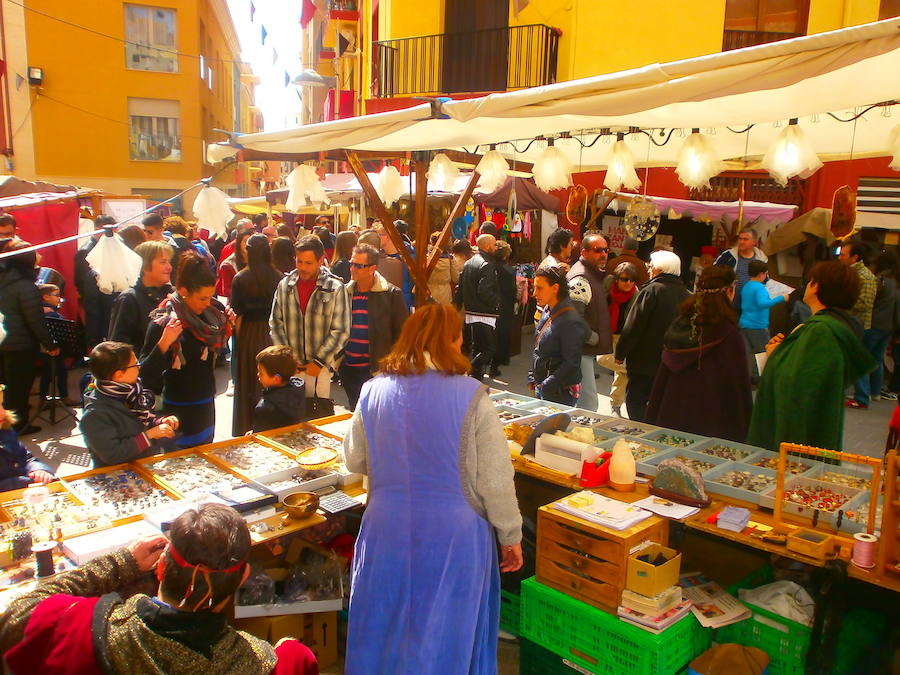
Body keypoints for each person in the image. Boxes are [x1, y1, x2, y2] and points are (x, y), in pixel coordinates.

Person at [342, 303, 522, 674]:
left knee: (385, 630)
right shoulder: (472, 395)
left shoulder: (372, 390)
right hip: (453, 540)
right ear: (452, 341)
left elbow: (355, 459)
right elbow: (495, 481)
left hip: (386, 530)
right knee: (444, 637)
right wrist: (511, 534)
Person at [0, 503, 319, 674]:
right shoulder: (280, 662)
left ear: (162, 567)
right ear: (243, 576)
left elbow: (19, 611)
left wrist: (120, 562)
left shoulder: (74, 626)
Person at [747, 261, 876, 452]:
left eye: (810, 281)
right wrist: (784, 352)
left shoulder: (821, 331)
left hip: (800, 438)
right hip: (813, 429)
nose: (807, 285)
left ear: (817, 287)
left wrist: (775, 356)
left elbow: (799, 385)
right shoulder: (827, 326)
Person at [647, 266, 753, 441]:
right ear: (728, 291)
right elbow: (738, 388)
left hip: (670, 414)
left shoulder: (678, 325)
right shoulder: (729, 334)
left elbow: (661, 382)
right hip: (712, 425)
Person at [142, 252, 233, 449]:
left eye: (210, 297)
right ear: (183, 291)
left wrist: (231, 327)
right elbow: (144, 375)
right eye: (202, 298)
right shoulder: (163, 323)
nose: (208, 303)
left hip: (206, 404)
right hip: (176, 410)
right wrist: (165, 343)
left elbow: (217, 351)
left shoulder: (212, 317)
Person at [270, 235, 350, 418]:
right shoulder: (285, 285)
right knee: (291, 419)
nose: (303, 268)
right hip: (292, 367)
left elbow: (341, 330)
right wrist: (288, 359)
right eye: (299, 261)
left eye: (308, 263)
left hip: (320, 370)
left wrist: (319, 362)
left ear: (321, 260)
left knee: (317, 420)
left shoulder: (335, 287)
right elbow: (275, 322)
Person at [614, 250, 690, 421]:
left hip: (644, 360)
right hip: (672, 362)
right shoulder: (686, 294)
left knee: (636, 400)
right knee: (661, 403)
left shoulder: (651, 291)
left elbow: (634, 325)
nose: (648, 270)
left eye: (651, 266)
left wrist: (621, 353)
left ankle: (642, 433)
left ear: (659, 270)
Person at [80, 342, 179, 466]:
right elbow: (112, 454)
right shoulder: (95, 414)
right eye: (136, 364)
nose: (139, 367)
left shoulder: (131, 391)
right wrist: (149, 435)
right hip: (117, 475)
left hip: (144, 464)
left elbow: (141, 421)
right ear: (119, 375)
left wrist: (159, 422)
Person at [339, 244, 408, 410]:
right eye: (351, 263)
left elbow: (402, 335)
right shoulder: (344, 292)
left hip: (375, 370)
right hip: (348, 368)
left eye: (358, 265)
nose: (352, 268)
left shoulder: (391, 294)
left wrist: (392, 365)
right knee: (354, 412)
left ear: (373, 268)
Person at [0, 239, 58, 434]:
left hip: (3, 340)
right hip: (20, 344)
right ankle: (18, 424)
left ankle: (7, 421)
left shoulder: (4, 279)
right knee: (19, 386)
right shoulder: (26, 286)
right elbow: (35, 320)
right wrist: (50, 344)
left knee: (6, 386)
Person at [230, 234, 283, 435]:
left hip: (250, 334)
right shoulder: (279, 277)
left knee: (248, 382)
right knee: (273, 381)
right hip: (272, 333)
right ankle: (271, 427)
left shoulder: (241, 278)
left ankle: (246, 426)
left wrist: (238, 341)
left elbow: (238, 316)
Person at [567, 233, 613, 411]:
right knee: (588, 403)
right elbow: (573, 318)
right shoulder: (581, 278)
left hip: (583, 349)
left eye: (606, 250)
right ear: (584, 252)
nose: (603, 254)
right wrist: (592, 338)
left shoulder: (591, 274)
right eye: (598, 250)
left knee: (584, 401)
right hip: (580, 348)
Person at [530, 266, 588, 406]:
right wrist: (532, 377)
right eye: (534, 287)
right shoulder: (547, 309)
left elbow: (571, 364)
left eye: (540, 288)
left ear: (555, 288)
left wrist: (546, 386)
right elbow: (539, 348)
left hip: (560, 392)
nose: (534, 293)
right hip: (546, 388)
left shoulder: (570, 320)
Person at [108, 240, 174, 355]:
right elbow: (119, 345)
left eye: (169, 262)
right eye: (163, 262)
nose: (169, 267)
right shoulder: (129, 299)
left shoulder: (172, 294)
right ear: (144, 265)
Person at [850, 251, 898, 409]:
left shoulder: (880, 280)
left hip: (874, 323)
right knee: (877, 359)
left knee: (862, 358)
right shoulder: (896, 282)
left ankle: (862, 397)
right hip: (888, 326)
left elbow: (870, 301)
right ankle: (875, 392)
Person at [455, 234, 501, 381]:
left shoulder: (469, 263)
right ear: (487, 246)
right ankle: (470, 370)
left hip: (471, 311)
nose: (496, 248)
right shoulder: (487, 264)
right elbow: (484, 291)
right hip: (484, 312)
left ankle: (475, 376)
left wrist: (457, 304)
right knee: (489, 349)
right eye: (494, 245)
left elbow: (460, 288)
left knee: (478, 347)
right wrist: (497, 302)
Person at [739, 260, 788, 383]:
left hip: (745, 323)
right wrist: (782, 298)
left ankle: (750, 376)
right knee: (762, 352)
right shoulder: (759, 287)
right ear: (762, 274)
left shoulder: (746, 286)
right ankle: (760, 379)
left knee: (749, 352)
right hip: (758, 325)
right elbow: (763, 304)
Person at [600, 262, 639, 416]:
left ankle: (615, 404)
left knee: (621, 373)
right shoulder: (608, 286)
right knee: (602, 359)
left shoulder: (636, 295)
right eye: (624, 279)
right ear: (616, 279)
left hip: (623, 335)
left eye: (631, 280)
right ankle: (631, 368)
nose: (628, 283)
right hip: (606, 332)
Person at [75, 215, 119, 350]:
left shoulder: (109, 247)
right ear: (99, 230)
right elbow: (83, 283)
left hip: (109, 299)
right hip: (96, 303)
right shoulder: (86, 251)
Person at [0, 385, 54, 490]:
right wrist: (25, 482)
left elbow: (25, 457)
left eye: (1, 404)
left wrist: (38, 470)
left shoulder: (5, 430)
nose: (2, 412)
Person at [38, 284, 77, 405]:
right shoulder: (50, 313)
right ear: (46, 297)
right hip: (52, 348)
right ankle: (64, 396)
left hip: (43, 349)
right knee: (61, 372)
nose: (59, 298)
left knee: (46, 373)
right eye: (56, 295)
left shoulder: (40, 310)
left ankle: (43, 399)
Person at [253, 345, 307, 432]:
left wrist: (253, 433)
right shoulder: (297, 390)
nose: (258, 375)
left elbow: (261, 435)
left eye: (261, 373)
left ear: (277, 379)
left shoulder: (265, 408)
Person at [714, 228, 767, 311]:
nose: (741, 242)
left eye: (745, 239)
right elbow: (713, 272)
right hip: (727, 303)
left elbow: (765, 281)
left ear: (754, 242)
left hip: (749, 307)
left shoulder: (761, 259)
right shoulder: (728, 256)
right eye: (740, 239)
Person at [492, 239, 516, 373]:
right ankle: (501, 359)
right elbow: (512, 292)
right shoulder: (509, 271)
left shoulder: (489, 267)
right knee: (503, 332)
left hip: (491, 303)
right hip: (505, 305)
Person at [215, 228, 251, 301]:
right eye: (245, 242)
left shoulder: (257, 260)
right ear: (239, 243)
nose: (248, 245)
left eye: (250, 242)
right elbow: (227, 291)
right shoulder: (228, 265)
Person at [427, 231, 461, 306]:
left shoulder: (426, 259)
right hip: (445, 294)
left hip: (429, 293)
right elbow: (456, 278)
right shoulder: (450, 259)